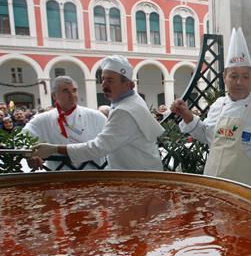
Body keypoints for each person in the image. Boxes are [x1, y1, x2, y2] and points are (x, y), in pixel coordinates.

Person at [170, 27, 251, 193]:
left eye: (245, 76)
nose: (239, 82)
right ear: (224, 77)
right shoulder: (218, 105)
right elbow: (207, 135)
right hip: (214, 190)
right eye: (234, 76)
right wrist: (187, 115)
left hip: (249, 194)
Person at [32, 55, 165, 170]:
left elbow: (98, 147)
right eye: (103, 79)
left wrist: (55, 149)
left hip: (138, 176)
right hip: (139, 172)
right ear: (54, 96)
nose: (104, 84)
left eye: (111, 80)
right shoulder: (129, 101)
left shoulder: (125, 110)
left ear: (129, 85)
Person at [23, 76, 107, 170]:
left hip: (94, 176)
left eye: (74, 90)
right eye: (65, 91)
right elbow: (22, 140)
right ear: (54, 95)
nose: (71, 95)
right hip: (59, 177)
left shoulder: (97, 116)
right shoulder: (41, 120)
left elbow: (109, 144)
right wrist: (30, 155)